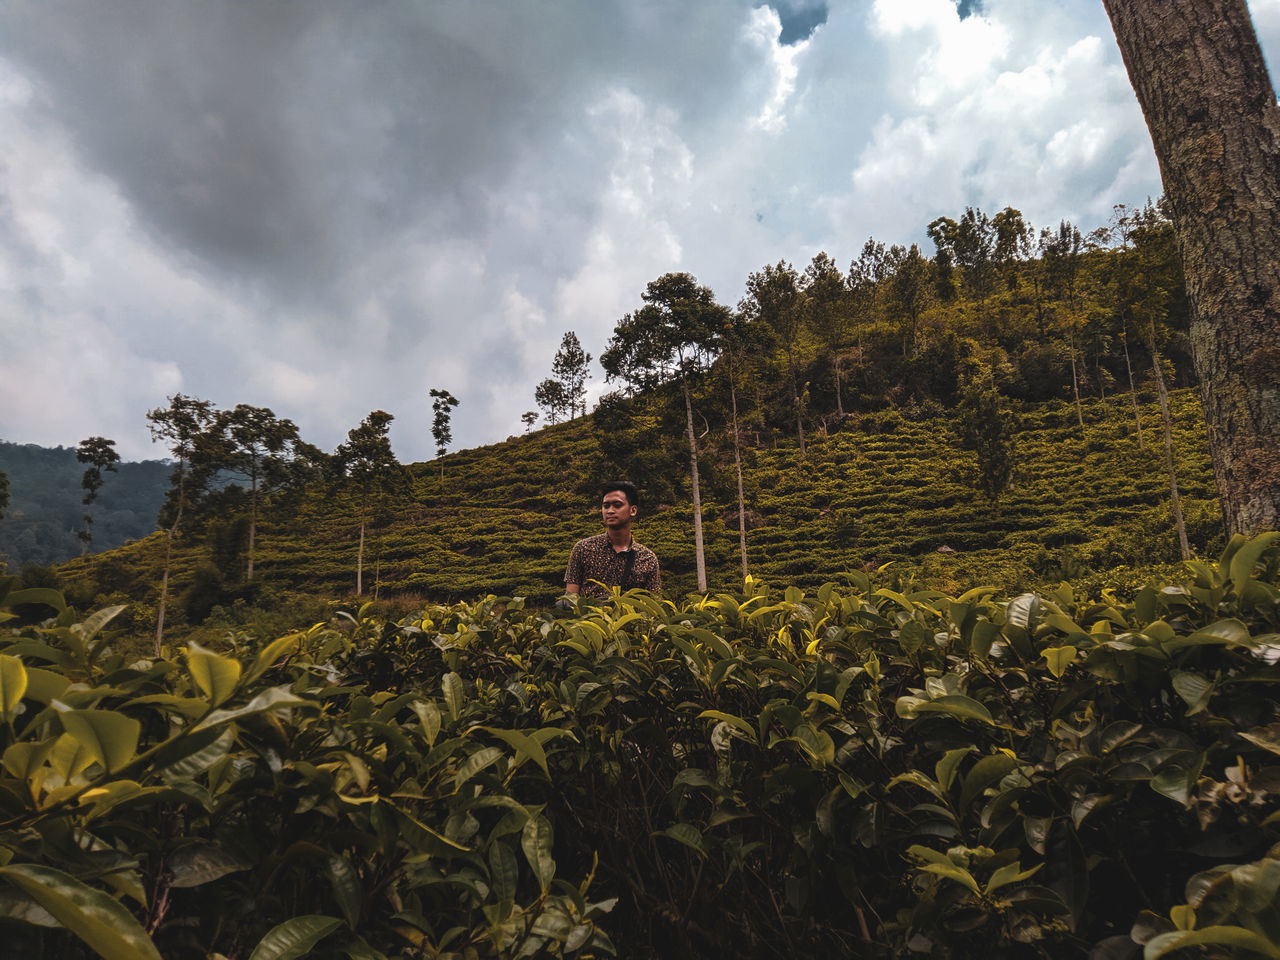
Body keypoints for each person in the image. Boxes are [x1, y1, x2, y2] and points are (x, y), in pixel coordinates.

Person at [563, 480, 661, 599]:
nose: (610, 511)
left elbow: (654, 604)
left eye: (617, 505)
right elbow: (570, 598)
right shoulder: (583, 549)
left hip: (629, 617)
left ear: (633, 510)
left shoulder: (647, 559)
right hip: (590, 617)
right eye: (606, 506)